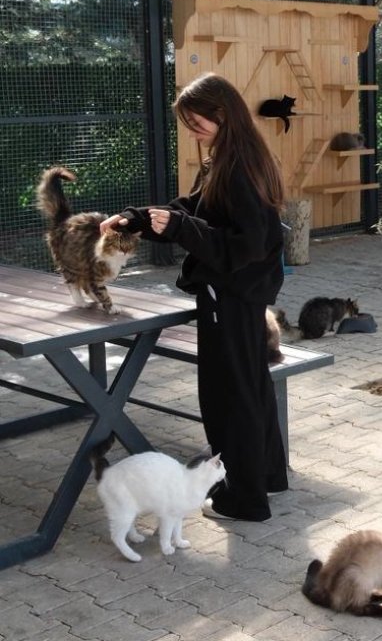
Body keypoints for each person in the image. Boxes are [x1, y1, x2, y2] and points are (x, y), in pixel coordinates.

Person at [100, 72, 286, 522]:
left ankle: (244, 500)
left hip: (231, 297)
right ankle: (264, 479)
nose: (192, 131)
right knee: (250, 388)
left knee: (229, 400)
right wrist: (139, 219)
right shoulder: (231, 156)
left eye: (196, 121)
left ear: (221, 115)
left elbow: (247, 246)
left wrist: (182, 228)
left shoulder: (239, 167)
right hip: (238, 298)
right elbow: (195, 210)